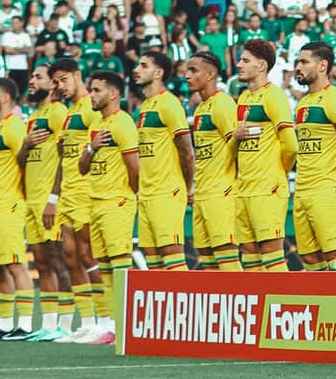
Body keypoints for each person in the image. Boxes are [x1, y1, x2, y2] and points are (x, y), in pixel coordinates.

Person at [79, 68, 139, 346]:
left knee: (119, 265)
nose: (91, 95)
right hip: (96, 201)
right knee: (104, 267)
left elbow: (134, 169)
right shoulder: (97, 126)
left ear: (113, 93)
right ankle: (114, 326)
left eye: (96, 90)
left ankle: (127, 324)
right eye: (91, 90)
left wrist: (129, 197)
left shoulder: (123, 124)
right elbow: (82, 168)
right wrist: (90, 148)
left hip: (117, 202)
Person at [289, 43, 336, 271]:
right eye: (298, 62)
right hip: (303, 190)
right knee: (310, 260)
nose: (298, 67)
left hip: (327, 189)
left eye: (304, 62)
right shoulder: (303, 103)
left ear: (322, 66)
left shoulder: (335, 98)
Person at [16, 64, 72, 335]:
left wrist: (54, 197)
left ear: (52, 85)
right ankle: (48, 325)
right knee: (41, 262)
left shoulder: (60, 112)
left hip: (50, 201)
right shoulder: (34, 117)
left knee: (58, 260)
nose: (31, 81)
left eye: (38, 77)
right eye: (31, 76)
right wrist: (26, 144)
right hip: (32, 200)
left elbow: (65, 157)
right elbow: (20, 162)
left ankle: (66, 324)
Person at [232, 40, 296, 273]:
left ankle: (281, 307)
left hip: (267, 187)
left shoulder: (275, 97)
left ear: (261, 66)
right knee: (249, 253)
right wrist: (235, 137)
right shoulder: (243, 99)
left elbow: (290, 144)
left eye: (245, 60)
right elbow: (236, 147)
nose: (239, 64)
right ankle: (259, 309)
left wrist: (279, 172)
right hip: (244, 187)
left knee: (271, 254)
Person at [50, 58, 104, 335]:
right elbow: (63, 158)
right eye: (56, 82)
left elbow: (99, 149)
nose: (60, 86)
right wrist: (53, 196)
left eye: (64, 80)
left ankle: (108, 320)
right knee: (69, 257)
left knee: (87, 254)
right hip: (68, 192)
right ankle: (88, 322)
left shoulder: (91, 107)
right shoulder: (69, 113)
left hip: (86, 190)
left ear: (77, 75)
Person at [0, 77, 33, 339]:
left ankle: (24, 325)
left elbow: (25, 166)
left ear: (5, 98)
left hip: (8, 205)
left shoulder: (15, 128)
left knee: (15, 265)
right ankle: (3, 324)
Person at [132, 50, 194, 273]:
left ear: (158, 73)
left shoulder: (169, 104)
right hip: (147, 194)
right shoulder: (145, 107)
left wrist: (189, 186)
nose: (136, 70)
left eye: (143, 65)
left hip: (167, 192)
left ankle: (184, 307)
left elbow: (186, 149)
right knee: (153, 262)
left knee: (172, 258)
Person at [181, 51, 241, 273]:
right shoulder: (200, 109)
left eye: (193, 70)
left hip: (221, 193)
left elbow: (237, 148)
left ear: (210, 74)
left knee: (226, 260)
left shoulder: (223, 104)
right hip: (202, 192)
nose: (187, 75)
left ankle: (241, 306)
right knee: (208, 262)